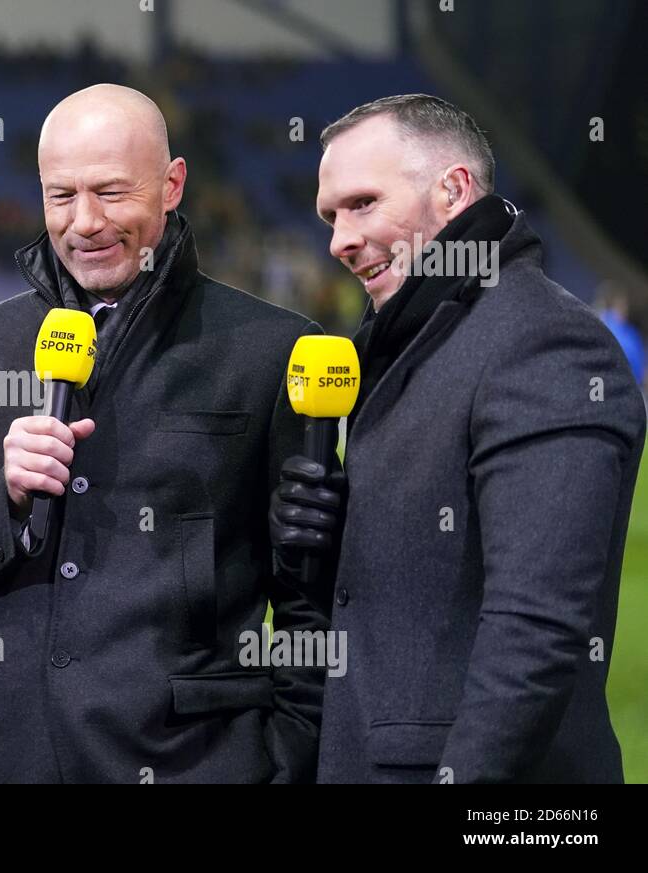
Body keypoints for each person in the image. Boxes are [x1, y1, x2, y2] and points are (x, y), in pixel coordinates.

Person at [0, 84, 327, 783]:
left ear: (172, 184)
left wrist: (286, 757)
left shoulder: (271, 350)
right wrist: (2, 498)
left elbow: (312, 598)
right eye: (60, 196)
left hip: (199, 765)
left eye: (111, 193)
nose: (84, 222)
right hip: (14, 761)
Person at [271, 94, 645, 782]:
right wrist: (325, 559)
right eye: (330, 216)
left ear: (453, 191)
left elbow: (535, 631)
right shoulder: (416, 339)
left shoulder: (542, 341)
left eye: (361, 204)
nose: (338, 240)